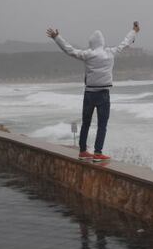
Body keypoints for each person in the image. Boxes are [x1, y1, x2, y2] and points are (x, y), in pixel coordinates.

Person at [47, 21, 140, 161]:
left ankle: (83, 151)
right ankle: (98, 153)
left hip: (89, 94)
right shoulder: (110, 52)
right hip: (103, 94)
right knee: (102, 125)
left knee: (86, 123)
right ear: (102, 42)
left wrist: (57, 38)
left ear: (91, 43)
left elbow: (69, 50)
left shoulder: (87, 54)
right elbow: (125, 43)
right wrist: (134, 31)